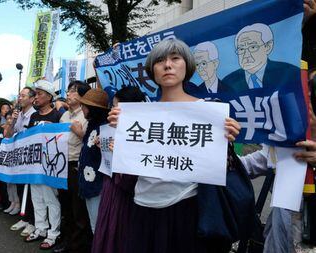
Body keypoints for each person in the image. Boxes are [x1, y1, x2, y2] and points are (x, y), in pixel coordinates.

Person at [108, 38, 241, 253]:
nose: (167, 65)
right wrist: (120, 139)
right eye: (160, 60)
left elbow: (221, 168)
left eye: (175, 58)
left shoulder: (208, 111)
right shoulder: (137, 115)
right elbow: (130, 165)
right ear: (152, 70)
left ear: (187, 65)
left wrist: (227, 141)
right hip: (143, 205)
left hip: (189, 205)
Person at [92, 86, 145, 253]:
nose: (112, 110)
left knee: (120, 237)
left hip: (125, 197)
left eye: (116, 106)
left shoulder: (143, 133)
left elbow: (133, 178)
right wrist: (105, 148)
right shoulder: (111, 129)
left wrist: (122, 153)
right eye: (112, 106)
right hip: (111, 188)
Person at [54, 80, 92, 253]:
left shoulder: (86, 115)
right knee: (66, 206)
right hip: (61, 165)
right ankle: (67, 241)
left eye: (73, 91)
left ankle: (77, 246)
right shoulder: (64, 116)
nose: (68, 94)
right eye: (68, 91)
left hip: (76, 166)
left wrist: (80, 133)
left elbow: (92, 142)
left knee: (78, 210)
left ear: (83, 95)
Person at [25, 80, 62, 250]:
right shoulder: (33, 116)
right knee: (37, 198)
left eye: (39, 94)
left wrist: (52, 127)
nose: (36, 97)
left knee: (50, 199)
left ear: (49, 97)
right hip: (34, 163)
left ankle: (54, 233)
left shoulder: (57, 115)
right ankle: (41, 228)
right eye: (35, 93)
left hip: (50, 165)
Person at [222, 23, 300, 93]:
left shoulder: (289, 73)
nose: (246, 55)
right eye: (241, 49)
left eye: (252, 47)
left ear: (268, 47)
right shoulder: (228, 82)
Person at [77, 88, 110, 235]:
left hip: (98, 186)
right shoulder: (92, 125)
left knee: (99, 227)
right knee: (94, 225)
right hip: (88, 183)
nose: (81, 108)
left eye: (84, 106)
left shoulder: (107, 128)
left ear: (93, 109)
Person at [6, 87, 36, 237]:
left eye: (23, 96)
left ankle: (32, 221)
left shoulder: (34, 115)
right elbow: (9, 134)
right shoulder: (18, 115)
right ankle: (24, 218)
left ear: (31, 99)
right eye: (19, 95)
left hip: (30, 158)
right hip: (19, 157)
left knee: (30, 191)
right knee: (20, 187)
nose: (20, 98)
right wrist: (12, 121)